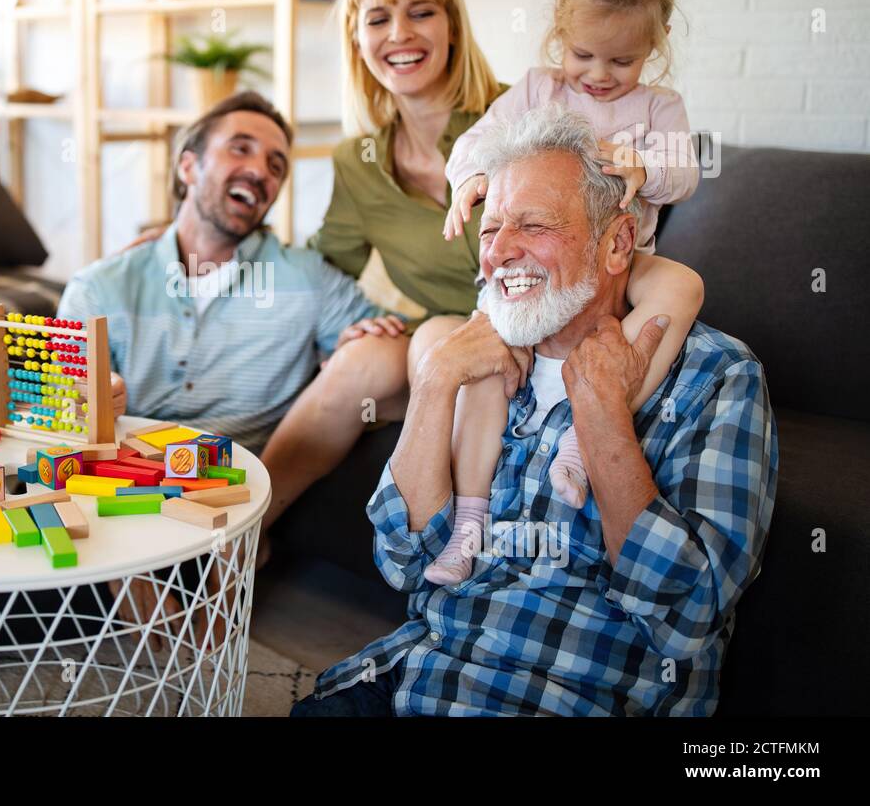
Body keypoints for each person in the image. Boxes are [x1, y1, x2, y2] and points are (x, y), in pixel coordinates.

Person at [292, 104, 777, 716]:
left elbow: (687, 615)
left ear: (619, 242)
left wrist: (603, 419)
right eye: (491, 229)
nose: (501, 252)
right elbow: (402, 561)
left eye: (535, 226)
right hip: (415, 679)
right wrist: (438, 377)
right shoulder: (480, 360)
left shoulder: (718, 376)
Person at [430, 0, 704, 583]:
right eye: (584, 55)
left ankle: (584, 445)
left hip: (620, 259)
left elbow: (689, 174)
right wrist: (471, 181)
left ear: (655, 43)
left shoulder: (658, 107)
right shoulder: (537, 89)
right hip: (541, 269)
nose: (600, 76)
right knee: (490, 367)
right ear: (558, 36)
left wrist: (649, 168)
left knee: (683, 285)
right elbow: (476, 142)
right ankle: (467, 525)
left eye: (622, 62)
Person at [57, 91, 385, 627]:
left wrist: (357, 351)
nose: (260, 170)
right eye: (241, 149)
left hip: (240, 492)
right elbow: (54, 410)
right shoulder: (99, 287)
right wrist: (91, 394)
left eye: (275, 164)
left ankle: (236, 552)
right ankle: (132, 577)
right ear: (189, 165)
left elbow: (390, 355)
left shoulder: (307, 278)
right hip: (122, 492)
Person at [258, 0, 507, 545]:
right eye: (377, 19)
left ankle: (447, 556)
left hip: (533, 325)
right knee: (370, 354)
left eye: (421, 12)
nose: (399, 33)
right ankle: (240, 538)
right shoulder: (360, 163)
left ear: (451, 26)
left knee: (434, 343)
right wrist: (194, 237)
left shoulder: (515, 113)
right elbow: (321, 265)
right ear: (357, 41)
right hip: (442, 332)